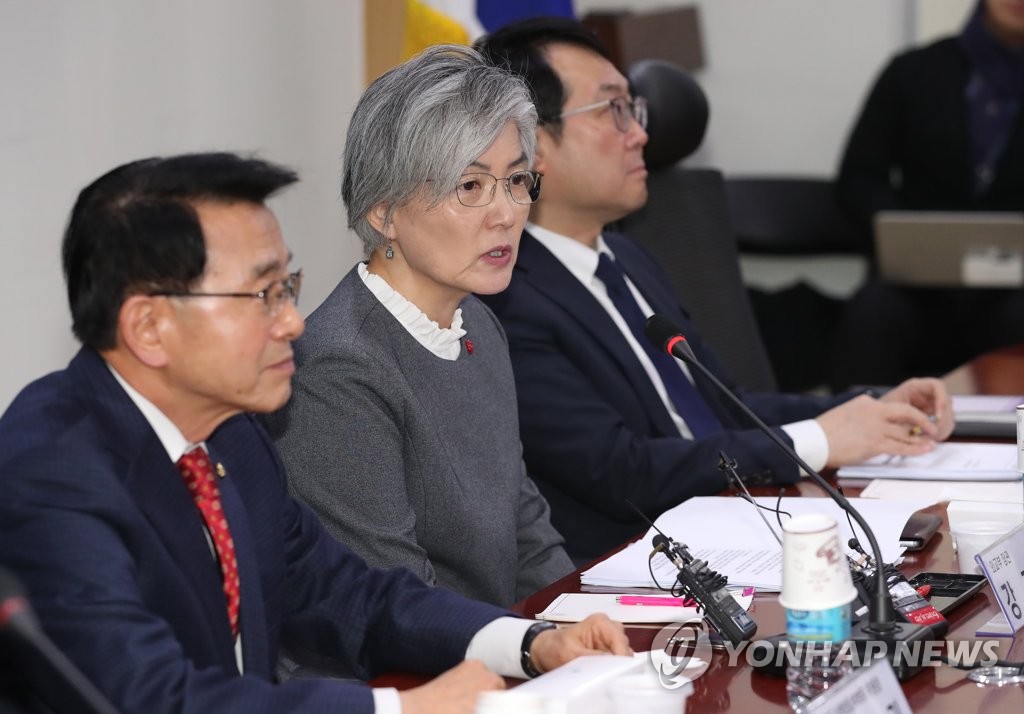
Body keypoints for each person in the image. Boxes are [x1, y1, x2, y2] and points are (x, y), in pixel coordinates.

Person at [0, 151, 630, 714]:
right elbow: (152, 698)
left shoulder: (232, 437)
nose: (293, 323)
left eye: (288, 287)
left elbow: (350, 594)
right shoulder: (50, 473)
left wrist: (533, 643)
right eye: (263, 295)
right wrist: (399, 710)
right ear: (148, 328)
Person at [474, 18, 955, 560]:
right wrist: (819, 439)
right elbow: (621, 471)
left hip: (737, 519)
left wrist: (867, 406)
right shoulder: (505, 297)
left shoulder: (628, 257)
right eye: (613, 109)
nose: (641, 134)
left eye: (634, 108)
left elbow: (726, 404)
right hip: (641, 563)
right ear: (531, 143)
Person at [265, 46, 573, 607]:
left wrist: (583, 620)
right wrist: (535, 646)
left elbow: (526, 532)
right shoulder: (337, 368)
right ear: (383, 213)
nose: (506, 213)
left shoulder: (476, 324)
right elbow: (397, 604)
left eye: (516, 180)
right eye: (470, 186)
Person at [833, 0, 1024, 388]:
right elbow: (859, 178)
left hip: (1014, 290)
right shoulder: (913, 71)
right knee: (875, 312)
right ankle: (855, 419)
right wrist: (902, 235)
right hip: (916, 286)